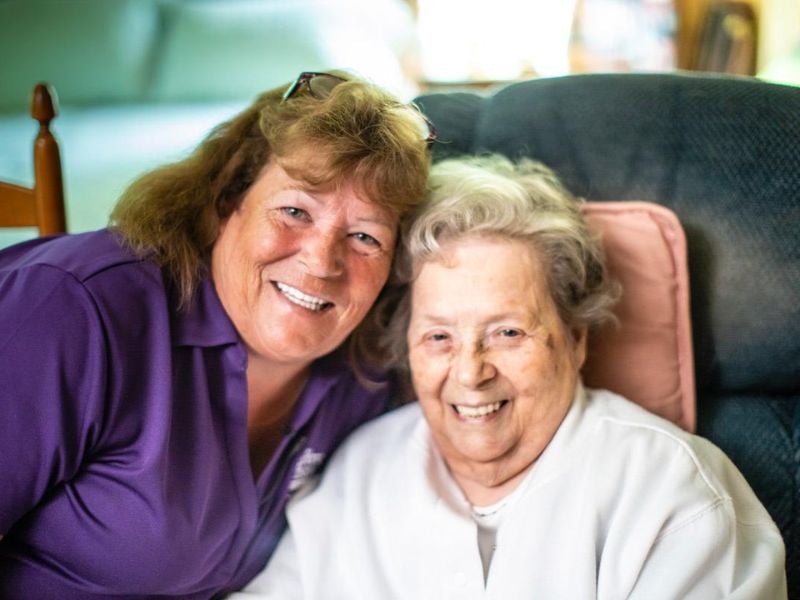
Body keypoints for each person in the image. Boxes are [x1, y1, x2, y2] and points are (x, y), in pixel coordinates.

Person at [235, 154, 787, 599]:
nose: (470, 373)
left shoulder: (668, 490)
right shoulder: (358, 474)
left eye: (507, 333)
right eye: (439, 338)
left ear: (575, 339)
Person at [0, 70, 434, 598]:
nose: (322, 262)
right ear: (229, 201)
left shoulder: (367, 372)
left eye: (366, 236)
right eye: (295, 211)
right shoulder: (76, 310)